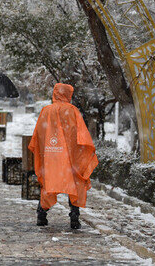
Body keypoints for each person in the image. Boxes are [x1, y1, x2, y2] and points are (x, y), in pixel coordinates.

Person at [28, 83, 98, 230]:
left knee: (49, 181)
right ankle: (74, 216)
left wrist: (46, 148)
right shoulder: (73, 111)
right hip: (70, 155)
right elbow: (82, 135)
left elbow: (39, 134)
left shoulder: (46, 111)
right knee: (74, 182)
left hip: (52, 154)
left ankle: (42, 213)